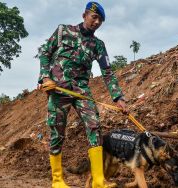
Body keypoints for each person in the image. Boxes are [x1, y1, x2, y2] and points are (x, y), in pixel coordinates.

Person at [37, 2, 127, 188]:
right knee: (57, 132)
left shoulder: (98, 45)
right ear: (84, 14)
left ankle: (99, 180)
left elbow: (108, 72)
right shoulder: (63, 31)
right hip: (58, 89)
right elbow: (45, 52)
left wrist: (118, 98)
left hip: (81, 91)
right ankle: (57, 180)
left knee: (94, 125)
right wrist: (45, 77)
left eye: (100, 20)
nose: (96, 22)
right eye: (94, 17)